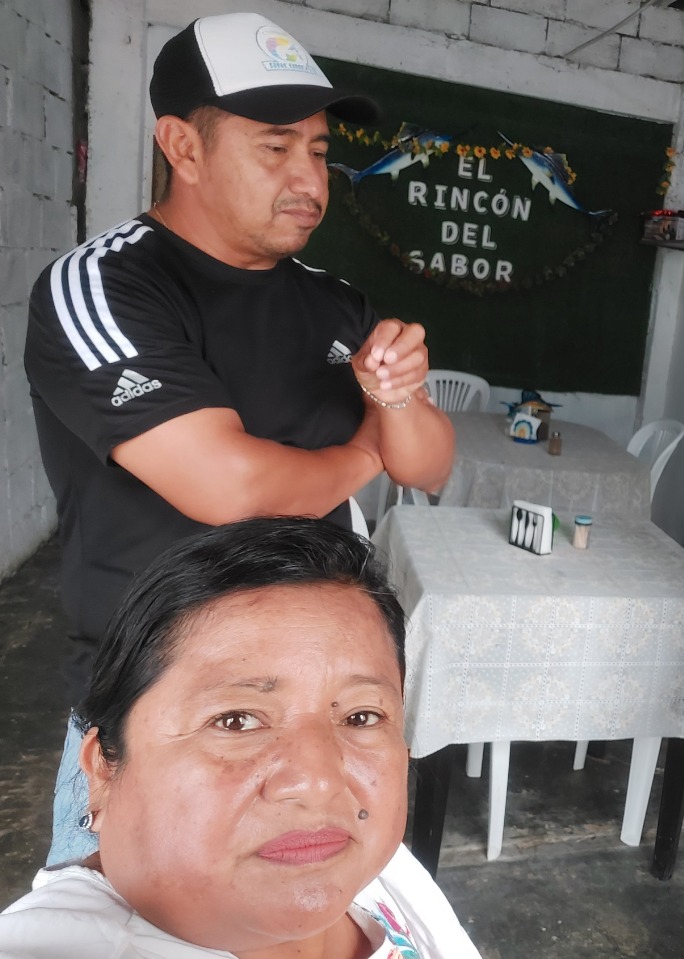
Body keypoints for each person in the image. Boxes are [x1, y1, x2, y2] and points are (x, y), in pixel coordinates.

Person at [25, 12, 454, 863]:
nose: (309, 178)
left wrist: (399, 399)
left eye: (320, 152)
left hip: (319, 710)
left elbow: (430, 464)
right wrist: (364, 452)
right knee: (128, 922)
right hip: (163, 717)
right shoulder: (105, 285)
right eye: (275, 147)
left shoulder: (335, 302)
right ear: (182, 147)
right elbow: (229, 487)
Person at [0, 517, 482, 959]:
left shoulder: (365, 861)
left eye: (361, 716)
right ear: (103, 770)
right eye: (236, 721)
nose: (319, 783)